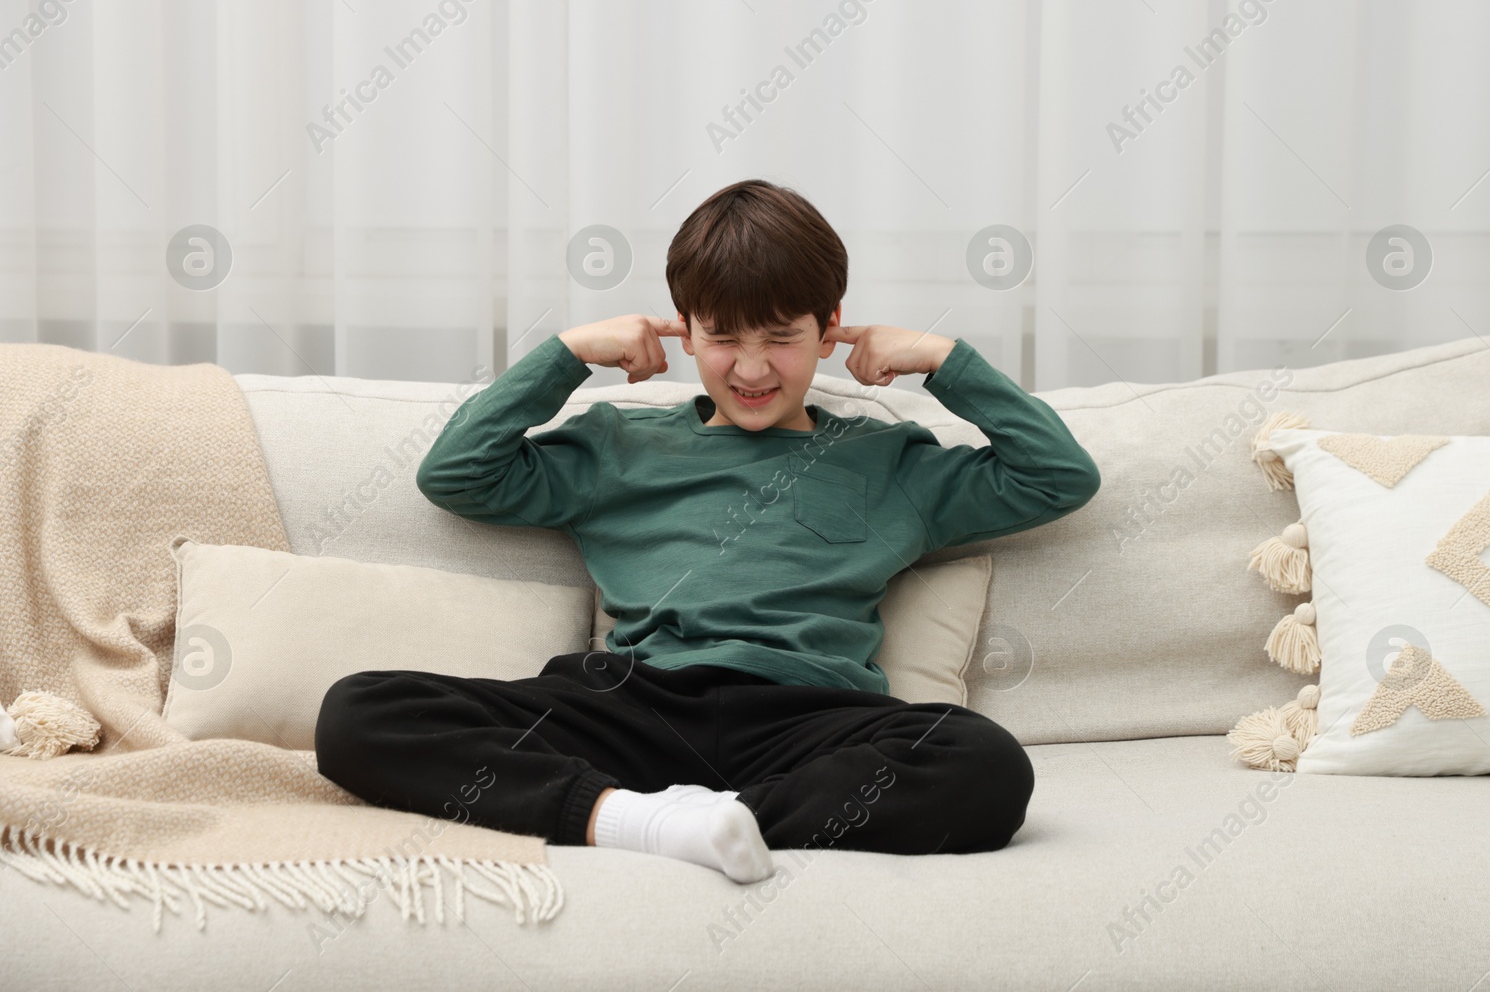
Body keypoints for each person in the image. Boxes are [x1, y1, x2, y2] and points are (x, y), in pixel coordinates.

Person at [313, 178, 1100, 883]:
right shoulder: (618, 445)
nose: (752, 369)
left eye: (781, 337)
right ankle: (638, 819)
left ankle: (729, 819)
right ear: (685, 331)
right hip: (634, 703)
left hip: (807, 718)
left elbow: (1058, 476)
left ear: (830, 330)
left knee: (988, 765)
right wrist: (569, 354)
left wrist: (943, 359)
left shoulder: (889, 460)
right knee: (359, 712)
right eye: (725, 337)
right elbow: (456, 474)